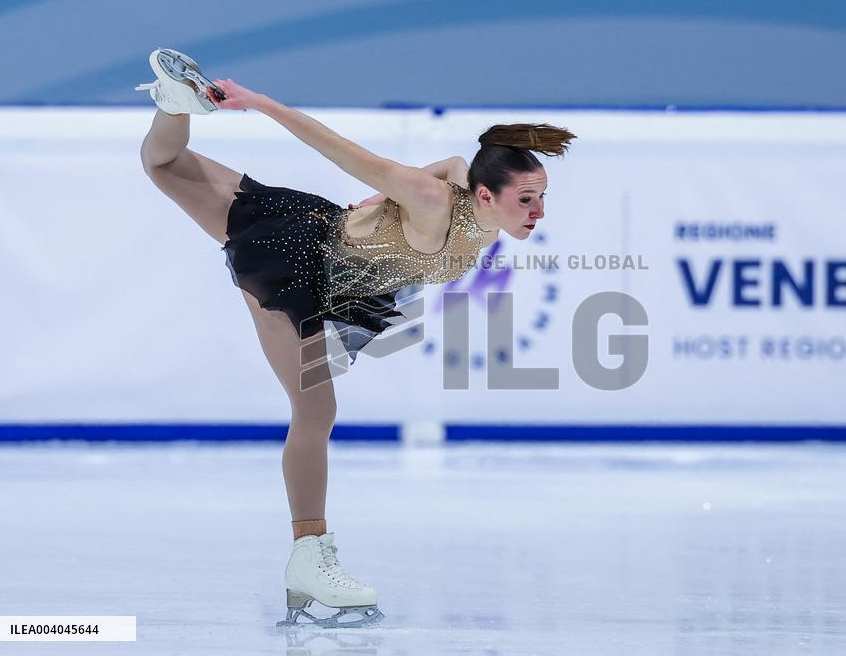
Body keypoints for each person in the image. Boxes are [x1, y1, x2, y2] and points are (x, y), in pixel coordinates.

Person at [135, 48, 575, 628]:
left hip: (326, 249)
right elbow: (341, 151)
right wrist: (260, 103)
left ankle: (173, 103)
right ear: (488, 195)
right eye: (527, 199)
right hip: (292, 257)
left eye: (541, 198)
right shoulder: (431, 200)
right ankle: (308, 556)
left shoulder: (478, 208)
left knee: (165, 164)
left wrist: (402, 193)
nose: (539, 212)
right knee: (316, 411)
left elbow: (452, 162)